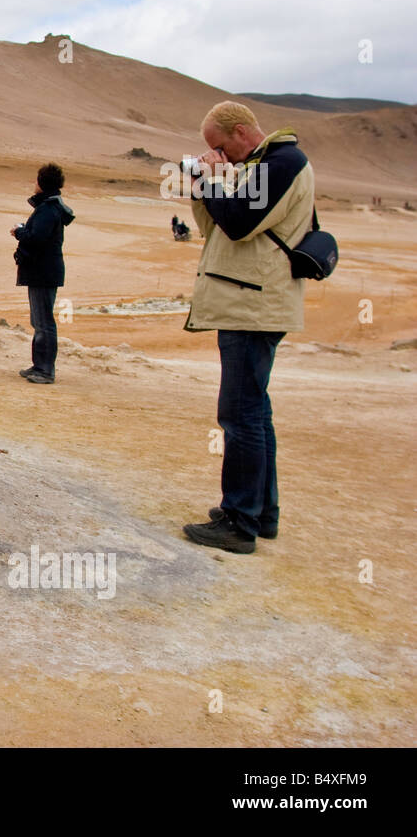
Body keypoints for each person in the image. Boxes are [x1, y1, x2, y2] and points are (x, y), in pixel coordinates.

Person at [181, 101, 315, 554]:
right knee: (254, 412)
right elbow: (215, 227)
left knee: (239, 415)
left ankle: (240, 523)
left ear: (241, 132)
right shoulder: (262, 166)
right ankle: (261, 513)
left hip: (252, 304)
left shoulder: (283, 163)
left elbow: (239, 223)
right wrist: (204, 188)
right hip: (249, 299)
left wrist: (212, 180)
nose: (221, 155)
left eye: (220, 147)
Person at [12, 163, 75, 384]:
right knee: (39, 320)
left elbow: (37, 239)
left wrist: (19, 231)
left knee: (44, 321)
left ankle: (45, 370)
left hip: (43, 271)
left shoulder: (48, 210)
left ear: (42, 183)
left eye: (37, 180)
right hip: (44, 270)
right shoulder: (49, 207)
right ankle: (39, 365)